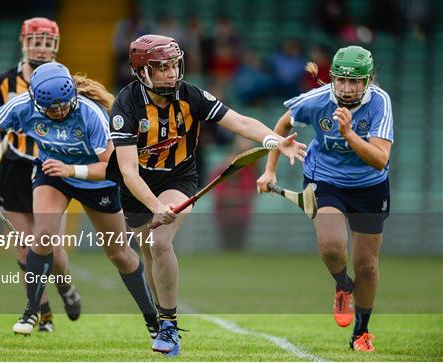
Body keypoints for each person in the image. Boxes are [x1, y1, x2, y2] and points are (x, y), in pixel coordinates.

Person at [108, 34, 307, 357]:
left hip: (178, 177)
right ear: (143, 72)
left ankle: (170, 327)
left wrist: (275, 141)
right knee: (148, 252)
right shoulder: (125, 106)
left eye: (174, 65)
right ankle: (162, 318)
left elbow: (239, 121)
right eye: (161, 68)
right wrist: (155, 206)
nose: (171, 73)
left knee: (160, 243)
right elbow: (129, 171)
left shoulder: (191, 96)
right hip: (137, 187)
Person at [0, 62, 159, 337]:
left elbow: (113, 166)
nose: (60, 112)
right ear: (36, 102)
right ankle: (32, 310)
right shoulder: (22, 106)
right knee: (44, 236)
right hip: (53, 175)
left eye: (64, 106)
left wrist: (71, 169)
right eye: (52, 109)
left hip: (97, 180)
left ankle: (153, 320)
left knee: (119, 254)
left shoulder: (91, 114)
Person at [257, 45, 393, 352]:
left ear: (368, 81)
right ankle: (343, 285)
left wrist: (348, 134)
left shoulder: (379, 103)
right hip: (325, 178)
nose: (346, 89)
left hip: (369, 185)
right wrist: (270, 171)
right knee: (332, 247)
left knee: (367, 265)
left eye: (355, 82)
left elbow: (380, 160)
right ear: (331, 78)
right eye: (341, 81)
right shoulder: (315, 100)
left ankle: (361, 332)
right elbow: (282, 126)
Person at [0, 17, 80, 332]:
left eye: (48, 43)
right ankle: (40, 311)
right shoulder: (3, 84)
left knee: (52, 247)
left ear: (55, 46)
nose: (42, 48)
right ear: (24, 42)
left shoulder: (66, 80)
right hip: (16, 168)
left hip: (51, 168)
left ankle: (65, 287)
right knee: (24, 245)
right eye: (36, 41)